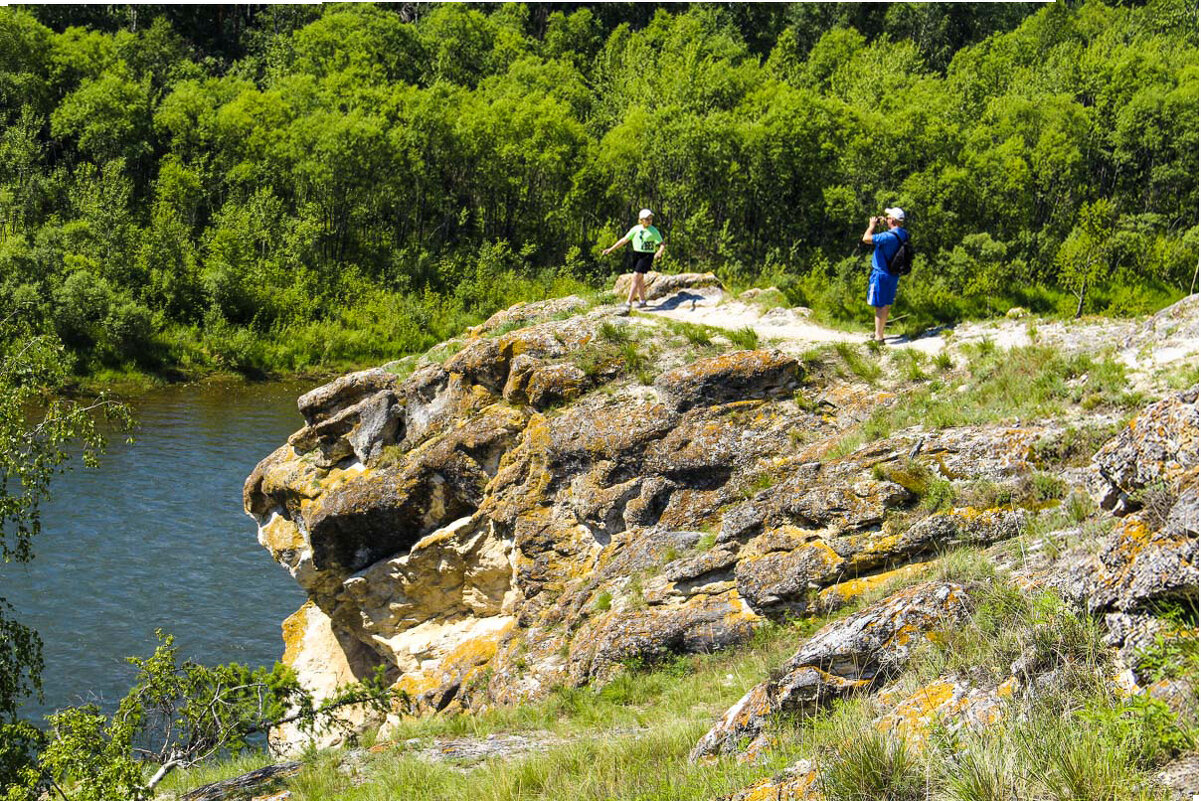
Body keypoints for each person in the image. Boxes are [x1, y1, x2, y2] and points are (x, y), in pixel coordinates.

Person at [861, 206, 908, 343]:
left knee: (879, 305)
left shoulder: (887, 237)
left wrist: (871, 226)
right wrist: (885, 222)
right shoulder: (903, 234)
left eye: (888, 218)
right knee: (886, 304)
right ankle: (879, 332)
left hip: (881, 274)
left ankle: (878, 337)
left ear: (892, 220)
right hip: (893, 274)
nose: (886, 219)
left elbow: (866, 238)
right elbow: (893, 232)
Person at [602, 208, 665, 310]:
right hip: (637, 254)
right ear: (641, 220)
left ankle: (628, 303)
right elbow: (624, 240)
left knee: (636, 277)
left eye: (650, 218)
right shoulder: (635, 229)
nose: (649, 220)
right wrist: (611, 249)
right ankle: (643, 301)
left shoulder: (654, 231)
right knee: (639, 279)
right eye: (647, 219)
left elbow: (662, 244)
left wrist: (659, 252)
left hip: (647, 256)